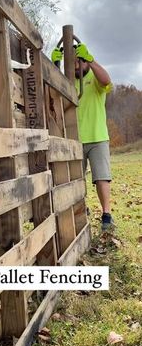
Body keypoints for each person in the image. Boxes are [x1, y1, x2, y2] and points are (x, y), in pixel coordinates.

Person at [51, 43, 114, 231]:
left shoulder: (95, 78)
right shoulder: (66, 81)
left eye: (79, 60)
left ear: (84, 60)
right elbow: (52, 96)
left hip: (97, 137)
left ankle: (107, 214)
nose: (76, 64)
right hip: (74, 139)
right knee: (76, 179)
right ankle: (80, 209)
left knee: (101, 177)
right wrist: (55, 66)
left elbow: (106, 81)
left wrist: (91, 59)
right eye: (72, 62)